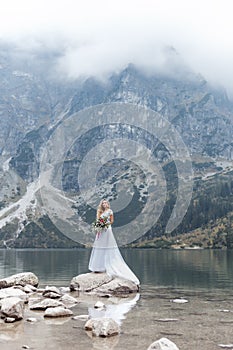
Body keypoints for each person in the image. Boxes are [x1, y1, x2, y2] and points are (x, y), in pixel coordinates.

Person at [88, 199, 140, 285]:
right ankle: (99, 266)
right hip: (101, 230)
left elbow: (112, 221)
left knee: (107, 245)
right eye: (103, 203)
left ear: (108, 204)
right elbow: (98, 221)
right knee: (100, 246)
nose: (104, 204)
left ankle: (108, 265)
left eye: (106, 203)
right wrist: (99, 226)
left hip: (107, 229)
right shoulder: (99, 212)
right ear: (101, 204)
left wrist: (105, 224)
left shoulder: (110, 211)